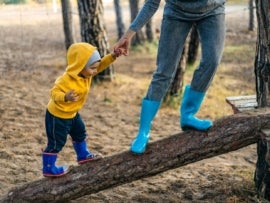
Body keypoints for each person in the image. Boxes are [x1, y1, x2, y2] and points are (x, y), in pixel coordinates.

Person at [114, 0, 226, 154]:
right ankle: (143, 131)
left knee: (212, 62)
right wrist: (128, 35)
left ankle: (188, 114)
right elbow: (151, 4)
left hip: (213, 10)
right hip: (177, 12)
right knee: (164, 71)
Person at [42, 42, 121, 177]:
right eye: (92, 68)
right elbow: (53, 93)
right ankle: (48, 168)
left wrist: (113, 56)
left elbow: (100, 65)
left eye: (95, 67)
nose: (95, 71)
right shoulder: (65, 80)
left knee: (80, 132)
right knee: (57, 142)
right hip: (58, 116)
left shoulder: (86, 74)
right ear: (80, 66)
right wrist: (65, 97)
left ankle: (83, 155)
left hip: (73, 113)